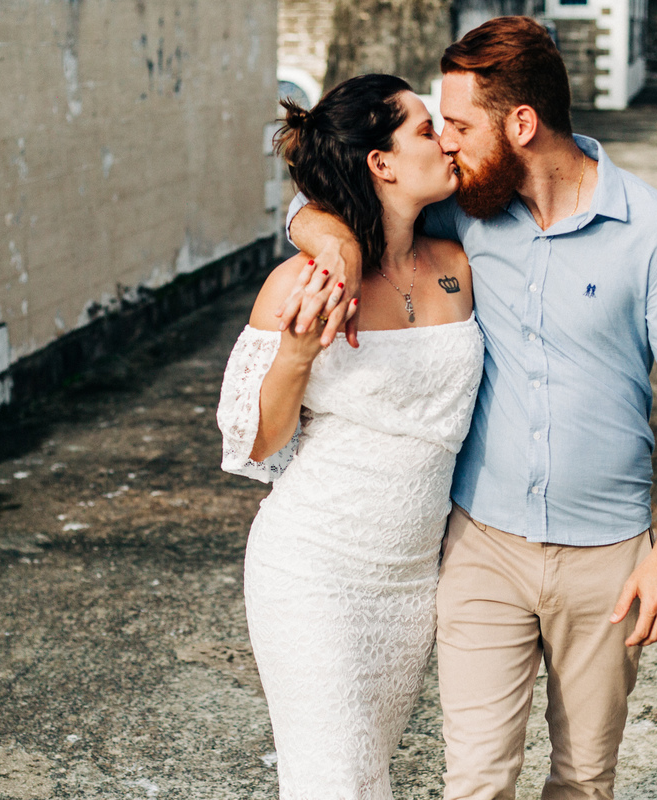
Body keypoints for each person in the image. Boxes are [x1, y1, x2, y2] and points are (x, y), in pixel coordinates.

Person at [281, 17, 657, 800]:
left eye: (458, 125)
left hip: (609, 559)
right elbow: (333, 200)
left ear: (521, 124)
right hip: (483, 549)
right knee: (476, 781)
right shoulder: (466, 215)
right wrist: (337, 248)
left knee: (585, 779)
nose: (447, 145)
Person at [215, 73, 482, 796]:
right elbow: (255, 444)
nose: (446, 141)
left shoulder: (457, 263)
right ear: (382, 162)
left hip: (409, 584)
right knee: (336, 782)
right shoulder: (302, 284)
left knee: (366, 774)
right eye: (426, 130)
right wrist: (299, 352)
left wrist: (321, 224)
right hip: (315, 572)